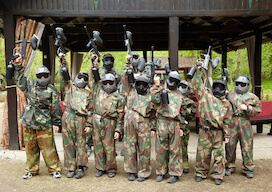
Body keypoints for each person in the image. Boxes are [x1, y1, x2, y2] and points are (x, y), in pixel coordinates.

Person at [12, 53, 62, 179]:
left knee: (48, 147)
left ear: (49, 76)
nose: (42, 77)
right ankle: (31, 169)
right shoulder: (30, 84)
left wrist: (57, 123)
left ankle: (54, 169)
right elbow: (19, 80)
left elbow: (56, 108)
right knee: (30, 146)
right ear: (36, 76)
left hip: (44, 121)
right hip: (29, 120)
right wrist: (18, 65)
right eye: (40, 76)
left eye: (45, 75)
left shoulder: (52, 90)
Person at [191, 65, 233, 185]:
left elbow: (227, 121)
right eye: (216, 86)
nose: (218, 89)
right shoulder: (205, 96)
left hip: (218, 132)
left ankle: (218, 174)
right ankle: (201, 172)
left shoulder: (226, 104)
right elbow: (196, 86)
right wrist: (198, 71)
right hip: (205, 130)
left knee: (219, 154)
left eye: (221, 87)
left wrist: (227, 135)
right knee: (202, 153)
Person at [89, 56, 125, 178]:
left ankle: (111, 168)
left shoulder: (118, 96)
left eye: (110, 83)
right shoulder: (98, 90)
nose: (108, 85)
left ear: (115, 83)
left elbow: (120, 115)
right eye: (105, 83)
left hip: (110, 123)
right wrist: (94, 65)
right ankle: (100, 167)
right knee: (98, 146)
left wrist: (118, 130)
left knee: (109, 147)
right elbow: (93, 79)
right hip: (97, 121)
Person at [58, 53, 92, 179]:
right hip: (68, 116)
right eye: (81, 77)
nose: (82, 80)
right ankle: (71, 167)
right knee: (68, 143)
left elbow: (91, 109)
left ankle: (81, 167)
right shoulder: (69, 87)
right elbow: (63, 74)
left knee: (81, 143)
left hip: (80, 119)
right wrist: (63, 60)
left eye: (85, 78)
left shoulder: (88, 94)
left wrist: (89, 124)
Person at [151, 71, 186, 184]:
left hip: (175, 123)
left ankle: (175, 173)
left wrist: (181, 127)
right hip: (162, 121)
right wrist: (156, 85)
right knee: (161, 149)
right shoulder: (161, 91)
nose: (173, 83)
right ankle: (161, 172)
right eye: (171, 80)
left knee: (175, 150)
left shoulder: (179, 95)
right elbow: (153, 99)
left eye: (175, 82)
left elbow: (182, 111)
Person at [121, 70, 156, 182]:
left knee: (144, 149)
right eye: (139, 84)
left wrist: (153, 128)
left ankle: (143, 172)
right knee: (129, 147)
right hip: (130, 123)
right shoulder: (130, 91)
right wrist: (128, 69)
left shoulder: (151, 96)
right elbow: (125, 80)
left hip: (144, 124)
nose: (141, 87)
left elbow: (154, 114)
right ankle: (131, 171)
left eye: (144, 84)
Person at [225, 75, 262, 178]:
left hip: (245, 122)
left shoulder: (252, 97)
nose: (239, 86)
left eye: (242, 84)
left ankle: (248, 168)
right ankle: (229, 166)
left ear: (247, 85)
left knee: (247, 146)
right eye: (237, 84)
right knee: (230, 146)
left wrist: (248, 108)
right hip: (232, 121)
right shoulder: (229, 95)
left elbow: (258, 110)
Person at [178, 80, 196, 173]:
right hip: (174, 125)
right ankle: (173, 164)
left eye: (184, 87)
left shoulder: (190, 102)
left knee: (184, 146)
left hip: (184, 126)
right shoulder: (173, 98)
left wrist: (183, 109)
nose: (182, 89)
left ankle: (185, 163)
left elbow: (192, 114)